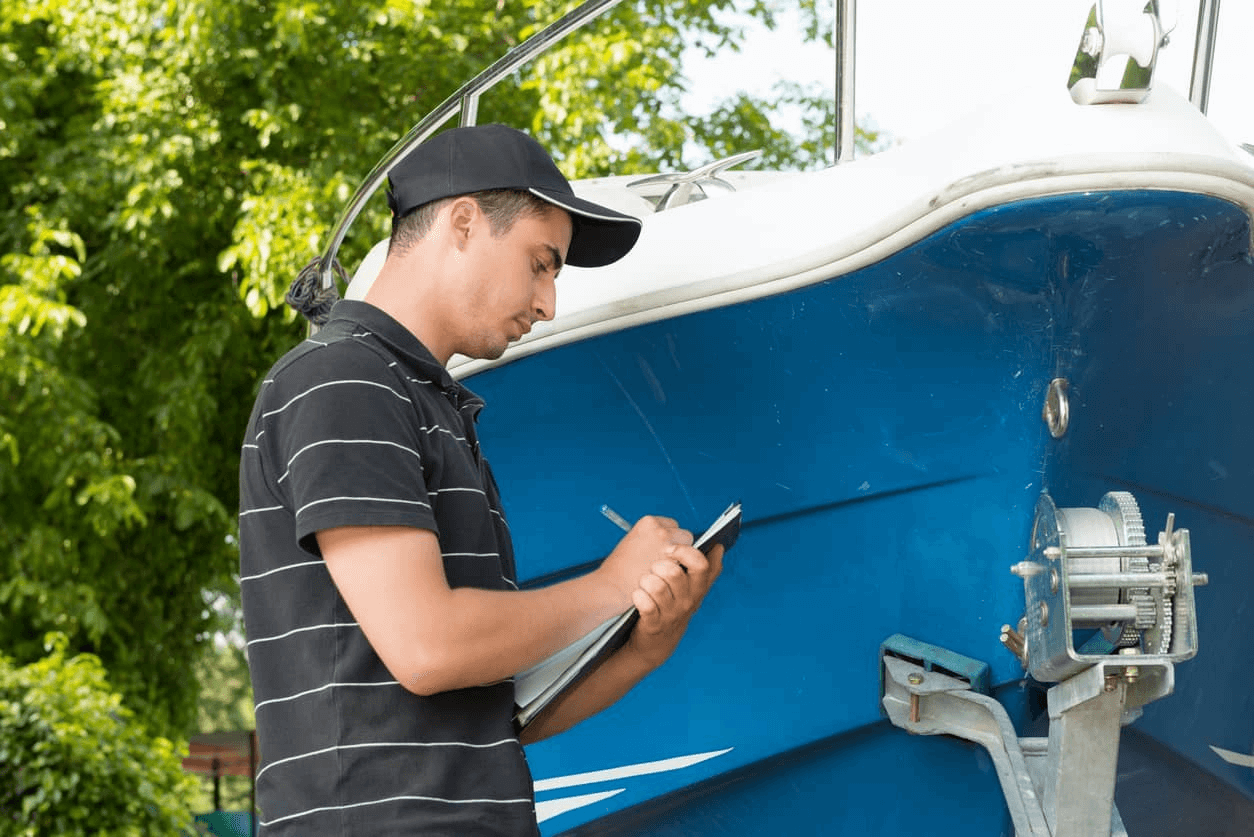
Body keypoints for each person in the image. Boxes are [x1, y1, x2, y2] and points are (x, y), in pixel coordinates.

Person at [238, 123, 723, 836]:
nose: (549, 302)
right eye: (541, 263)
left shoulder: (430, 407)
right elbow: (429, 646)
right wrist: (610, 585)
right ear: (463, 221)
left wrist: (645, 641)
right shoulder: (341, 379)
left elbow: (498, 715)